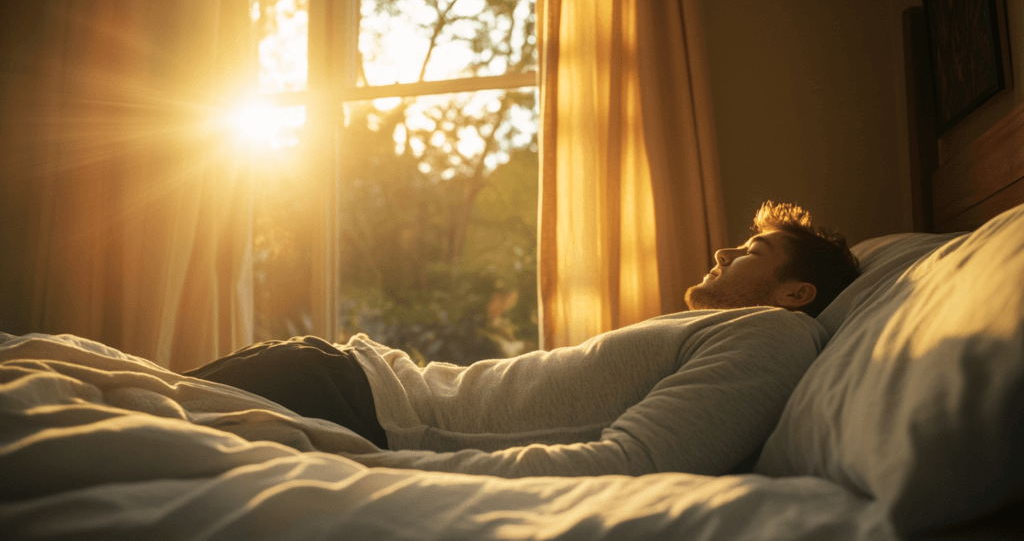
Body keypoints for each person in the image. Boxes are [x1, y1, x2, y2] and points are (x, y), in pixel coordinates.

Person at [185, 201, 859, 478]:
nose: (722, 251)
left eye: (752, 251)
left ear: (796, 293)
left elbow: (630, 462)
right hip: (349, 379)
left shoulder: (773, 336)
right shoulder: (729, 329)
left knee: (124, 421)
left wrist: (378, 466)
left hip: (358, 408)